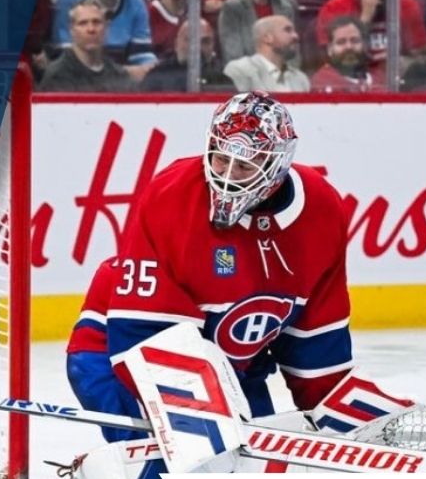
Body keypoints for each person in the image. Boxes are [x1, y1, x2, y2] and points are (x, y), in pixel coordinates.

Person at [107, 90, 353, 420]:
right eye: (222, 159)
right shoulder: (173, 194)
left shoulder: (321, 208)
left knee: (256, 462)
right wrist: (205, 411)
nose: (227, 176)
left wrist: (336, 414)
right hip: (120, 352)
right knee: (199, 462)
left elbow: (316, 347)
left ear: (276, 163)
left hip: (234, 370)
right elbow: (140, 336)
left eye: (245, 165)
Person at [65, 257, 144, 442]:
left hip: (90, 361)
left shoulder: (115, 265)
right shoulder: (134, 269)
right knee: (138, 442)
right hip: (98, 363)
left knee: (137, 442)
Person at [40, 0, 135, 91]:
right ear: (71, 30)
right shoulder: (57, 76)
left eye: (96, 22)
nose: (91, 29)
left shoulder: (119, 75)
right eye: (83, 23)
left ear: (106, 27)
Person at [142, 17, 234, 91]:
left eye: (205, 41)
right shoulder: (158, 76)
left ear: (213, 45)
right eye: (190, 40)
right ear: (176, 44)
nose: (198, 47)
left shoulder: (222, 80)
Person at [223, 15, 310, 92]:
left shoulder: (301, 78)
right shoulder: (240, 69)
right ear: (267, 38)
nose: (296, 36)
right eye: (287, 30)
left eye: (294, 31)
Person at [311, 15, 385, 92]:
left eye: (354, 40)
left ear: (365, 45)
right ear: (330, 49)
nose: (349, 47)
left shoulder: (381, 78)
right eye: (341, 42)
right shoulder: (321, 82)